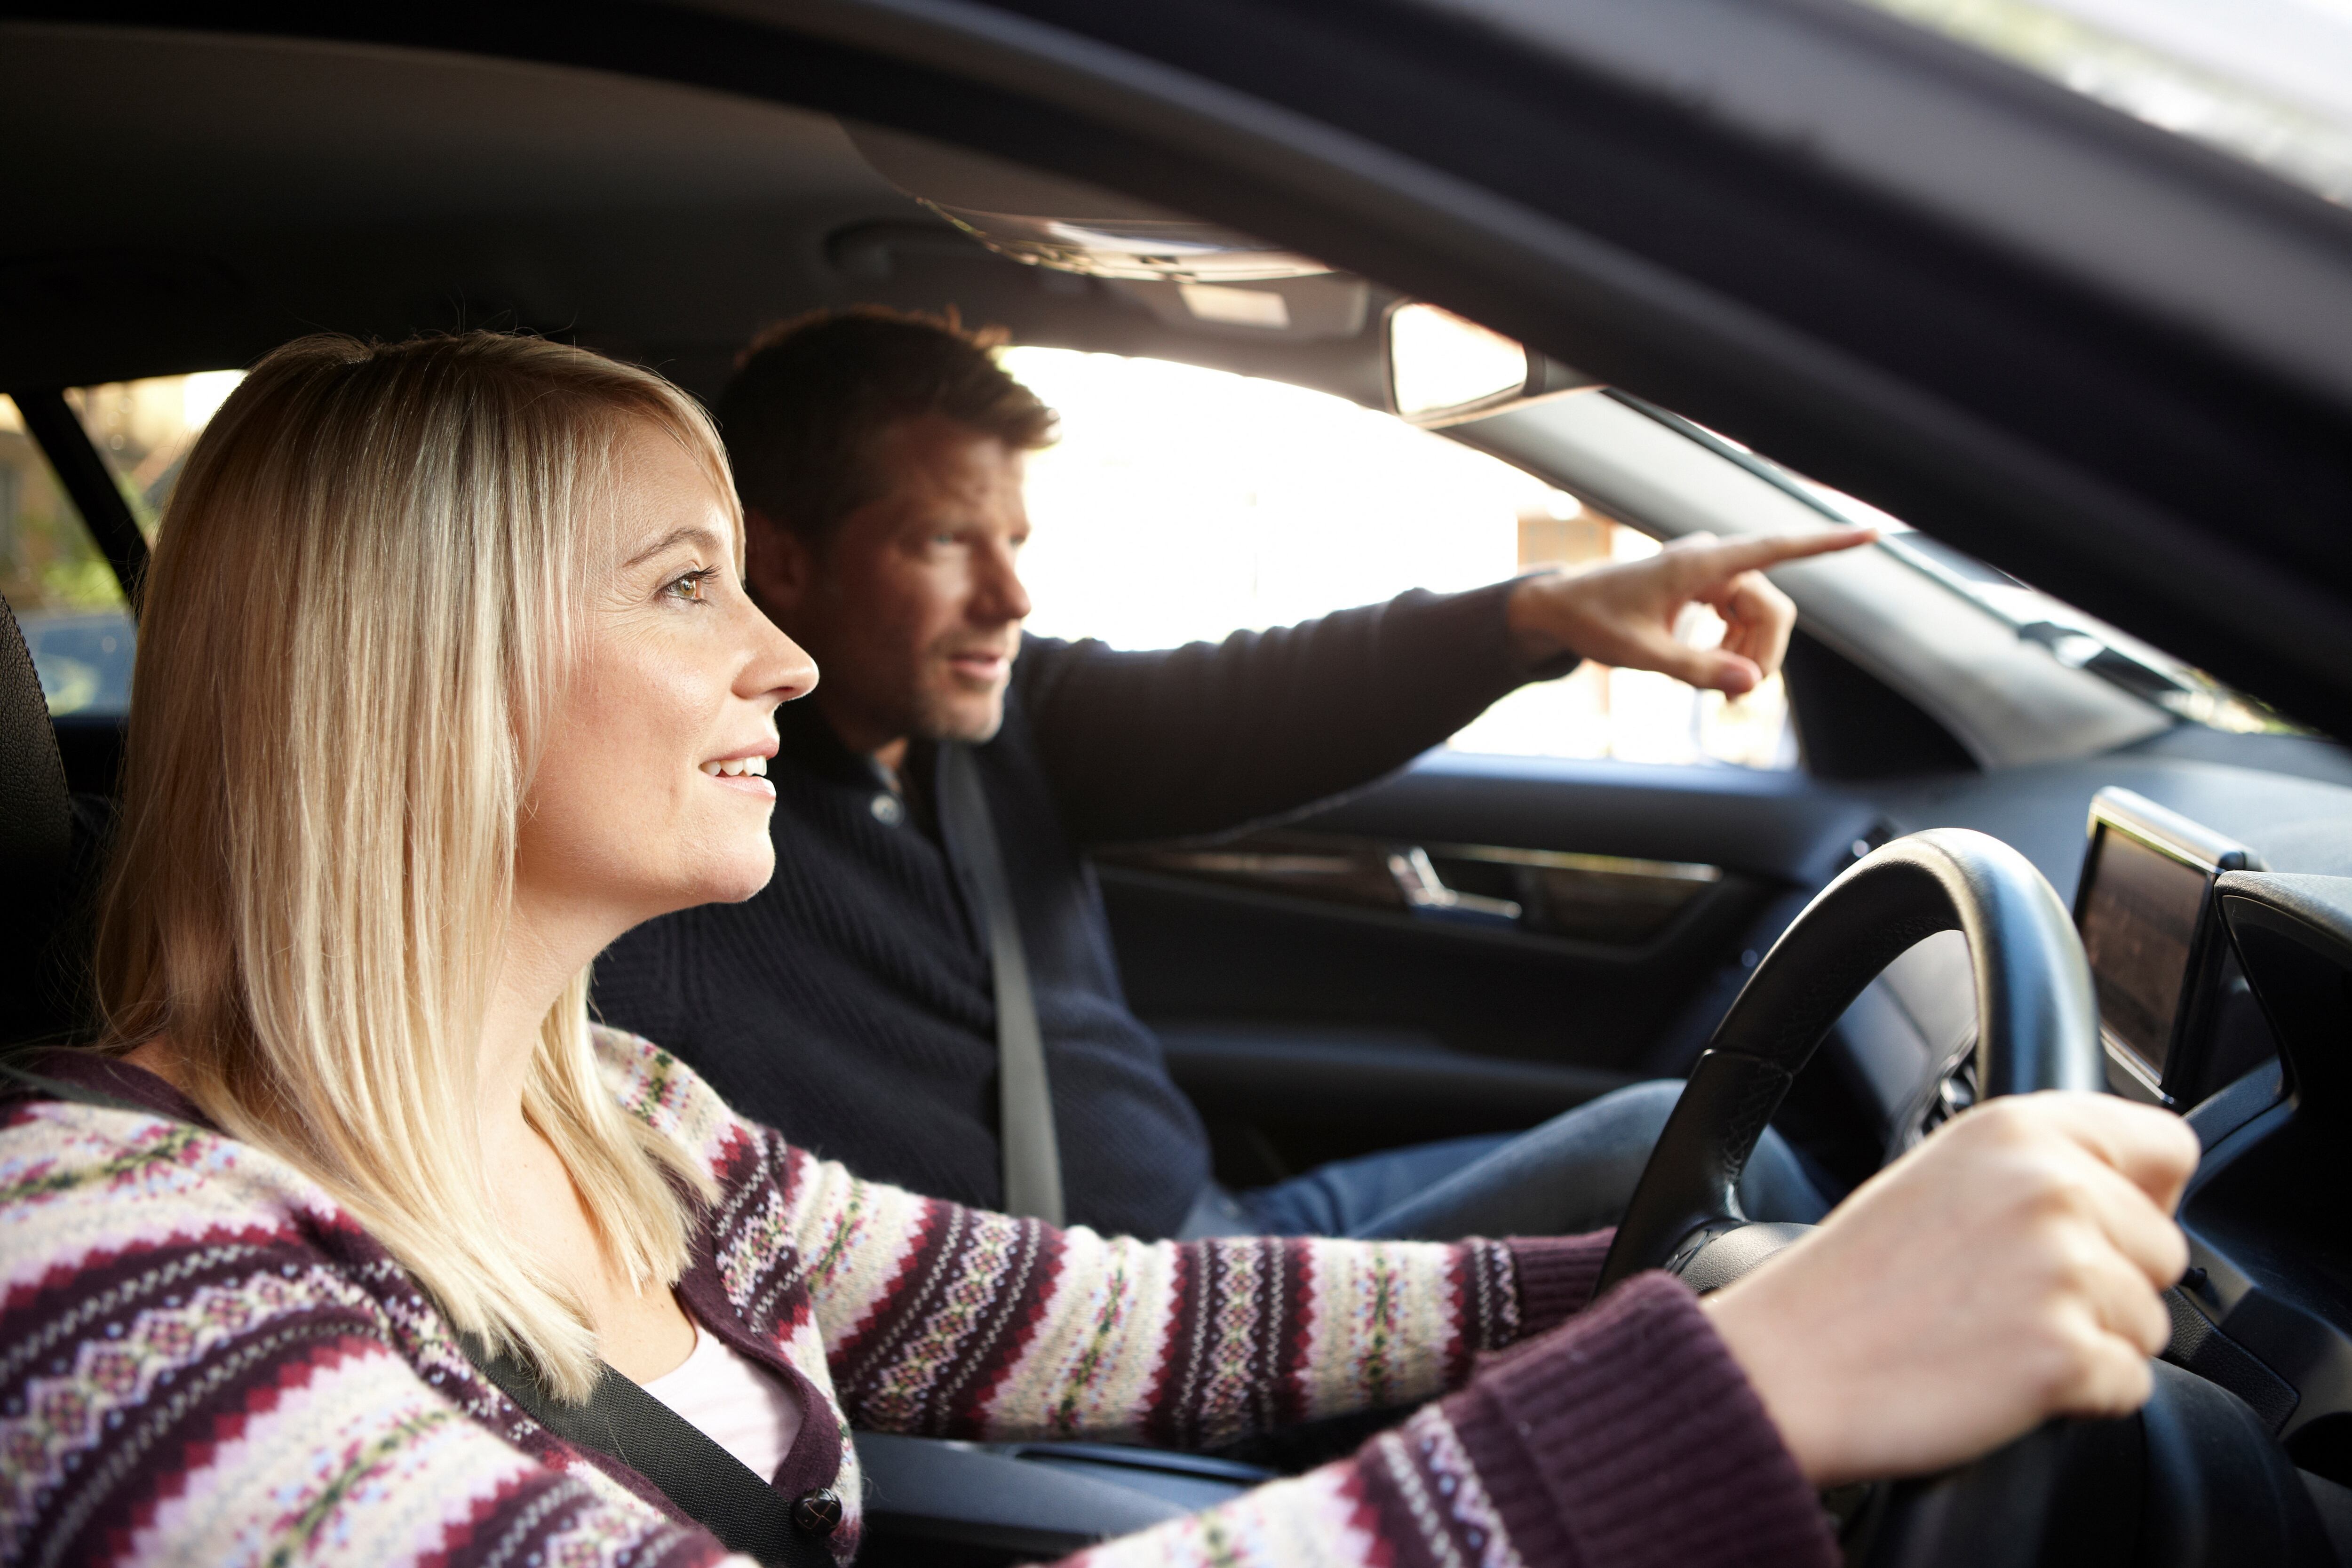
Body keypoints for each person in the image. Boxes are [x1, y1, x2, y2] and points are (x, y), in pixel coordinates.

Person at [0, 330, 2198, 1568]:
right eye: (687, 588)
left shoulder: (614, 1119)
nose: (768, 653)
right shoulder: (95, 1265)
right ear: (426, 673)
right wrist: (1737, 1393)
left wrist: (1655, 1275)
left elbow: (1114, 1322)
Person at [592, 308, 1867, 1243]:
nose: (1013, 596)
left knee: (1713, 1163)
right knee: (1687, 1158)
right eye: (943, 540)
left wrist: (1543, 615)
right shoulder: (685, 839)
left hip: (1230, 1220)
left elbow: (1263, 699)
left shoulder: (992, 728)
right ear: (785, 563)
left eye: (1018, 541)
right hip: (1126, 1324)